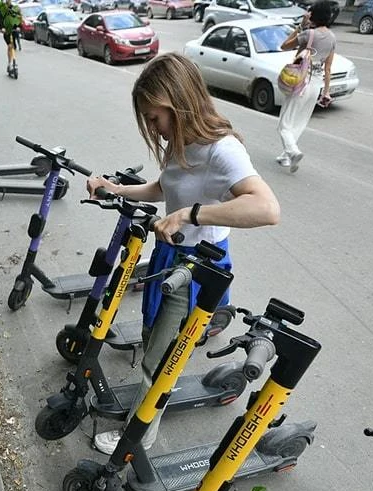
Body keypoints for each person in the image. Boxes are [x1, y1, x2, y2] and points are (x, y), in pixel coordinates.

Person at [85, 53, 281, 455]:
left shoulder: (221, 150)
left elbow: (267, 209)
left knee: (159, 359)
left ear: (177, 103)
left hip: (196, 268)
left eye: (155, 118)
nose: (153, 129)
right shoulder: (182, 143)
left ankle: (138, 437)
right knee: (153, 336)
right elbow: (165, 187)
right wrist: (117, 189)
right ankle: (144, 411)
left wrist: (192, 214)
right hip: (169, 258)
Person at [276, 0, 336, 172]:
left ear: (313, 15)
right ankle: (286, 157)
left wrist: (301, 26)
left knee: (284, 124)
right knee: (299, 122)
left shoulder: (309, 34)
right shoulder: (332, 38)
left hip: (301, 82)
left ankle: (293, 151)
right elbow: (328, 67)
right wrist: (326, 92)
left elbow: (284, 46)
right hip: (316, 84)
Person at [0, 0, 23, 74]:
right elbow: (0, 20)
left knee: (13, 46)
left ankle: (13, 61)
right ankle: (10, 62)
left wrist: (18, 26)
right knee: (10, 46)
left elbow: (18, 18)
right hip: (7, 31)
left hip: (14, 30)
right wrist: (2, 28)